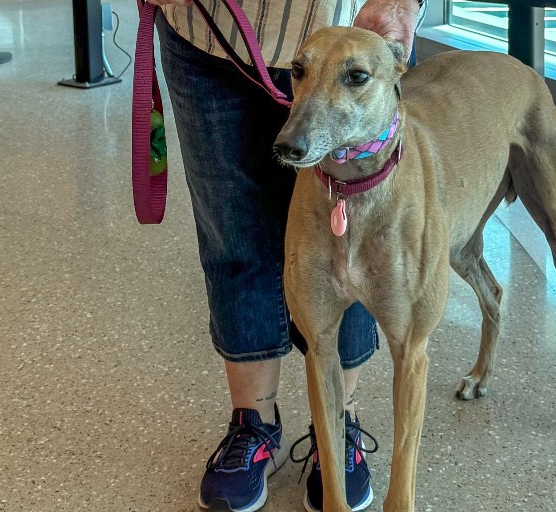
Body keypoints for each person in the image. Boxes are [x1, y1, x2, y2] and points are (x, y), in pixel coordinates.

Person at [144, 0, 422, 509]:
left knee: (355, 251)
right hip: (204, 31)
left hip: (343, 21)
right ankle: (254, 423)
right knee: (233, 235)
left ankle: (338, 425)